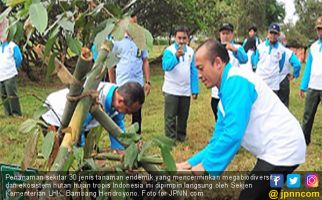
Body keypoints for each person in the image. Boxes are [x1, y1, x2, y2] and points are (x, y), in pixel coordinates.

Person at [176, 39, 306, 199]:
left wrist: (206, 166)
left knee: (250, 195)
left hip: (283, 148)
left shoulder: (236, 82)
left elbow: (233, 134)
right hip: (277, 148)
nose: (199, 75)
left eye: (201, 69)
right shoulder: (225, 93)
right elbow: (218, 139)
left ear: (217, 62)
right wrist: (189, 163)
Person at [41, 82, 145, 150]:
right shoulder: (96, 97)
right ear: (120, 101)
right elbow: (79, 128)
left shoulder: (116, 99)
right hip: (54, 116)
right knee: (61, 157)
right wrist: (82, 152)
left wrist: (122, 151)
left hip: (79, 123)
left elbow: (117, 129)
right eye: (127, 111)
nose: (126, 114)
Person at [108, 14, 151, 135]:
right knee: (117, 113)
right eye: (131, 24)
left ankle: (137, 138)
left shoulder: (140, 40)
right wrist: (112, 85)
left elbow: (145, 61)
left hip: (137, 84)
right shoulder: (117, 40)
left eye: (135, 24)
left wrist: (147, 81)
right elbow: (110, 64)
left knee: (136, 113)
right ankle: (117, 137)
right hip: (122, 84)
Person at [161, 26, 199, 142]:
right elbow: (166, 66)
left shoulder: (191, 52)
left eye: (184, 38)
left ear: (188, 39)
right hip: (171, 89)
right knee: (170, 116)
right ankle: (170, 138)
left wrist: (195, 89)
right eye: (179, 38)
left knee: (183, 115)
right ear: (175, 38)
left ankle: (181, 136)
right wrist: (176, 57)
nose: (181, 41)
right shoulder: (169, 51)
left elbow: (194, 71)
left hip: (185, 90)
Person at [211, 23, 248, 120]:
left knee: (231, 117)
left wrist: (234, 50)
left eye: (227, 33)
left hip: (232, 90)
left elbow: (244, 59)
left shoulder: (237, 47)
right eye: (223, 33)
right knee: (218, 117)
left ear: (232, 34)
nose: (225, 36)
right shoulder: (215, 48)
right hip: (217, 91)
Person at [299, 16, 322, 145]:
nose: (320, 32)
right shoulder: (313, 47)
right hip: (313, 86)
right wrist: (303, 86)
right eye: (318, 29)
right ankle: (304, 139)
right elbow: (308, 68)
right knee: (308, 115)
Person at [253, 23, 286, 94]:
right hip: (261, 80)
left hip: (273, 84)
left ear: (278, 35)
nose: (273, 36)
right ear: (268, 33)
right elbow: (255, 63)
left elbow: (281, 66)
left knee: (272, 104)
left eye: (275, 34)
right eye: (271, 33)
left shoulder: (282, 50)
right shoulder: (260, 47)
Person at [0, 18, 23, 116]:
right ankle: (8, 113)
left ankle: (16, 113)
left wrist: (13, 68)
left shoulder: (12, 45)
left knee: (12, 94)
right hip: (1, 75)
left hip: (10, 75)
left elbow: (19, 58)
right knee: (4, 95)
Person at [278, 33, 301, 107]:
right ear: (283, 41)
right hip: (284, 79)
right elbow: (297, 64)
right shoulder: (288, 52)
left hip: (271, 79)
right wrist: (295, 75)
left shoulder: (271, 49)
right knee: (284, 104)